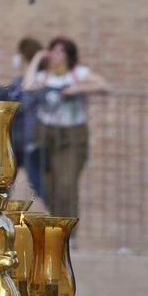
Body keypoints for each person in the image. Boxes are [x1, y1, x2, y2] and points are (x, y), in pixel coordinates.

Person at [23, 37, 107, 218]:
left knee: (66, 185)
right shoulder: (44, 76)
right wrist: (38, 57)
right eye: (53, 50)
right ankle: (56, 225)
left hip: (72, 134)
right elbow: (27, 85)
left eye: (60, 51)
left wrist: (78, 89)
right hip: (46, 133)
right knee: (49, 184)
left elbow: (102, 84)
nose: (55, 55)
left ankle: (68, 228)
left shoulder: (78, 74)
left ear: (69, 55)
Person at [0, 37, 46, 204]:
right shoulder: (20, 80)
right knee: (3, 182)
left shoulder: (40, 79)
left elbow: (24, 101)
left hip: (31, 140)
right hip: (16, 140)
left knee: (38, 183)